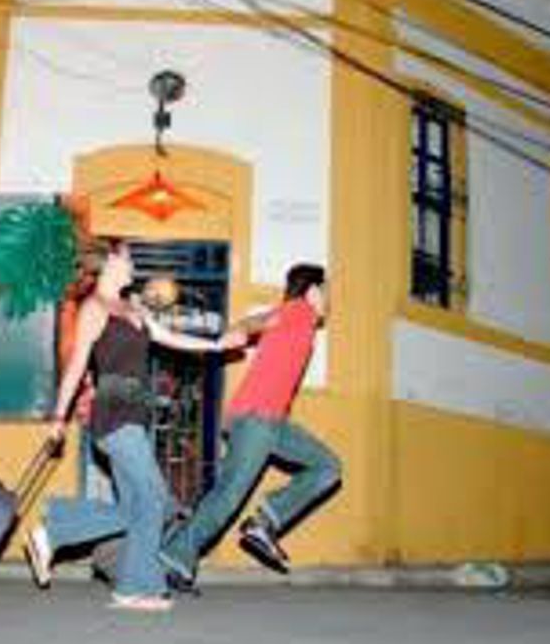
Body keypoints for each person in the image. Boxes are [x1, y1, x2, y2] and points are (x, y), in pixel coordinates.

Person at [23, 238, 244, 612]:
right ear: (110, 263)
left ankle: (124, 584)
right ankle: (63, 533)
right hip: (113, 413)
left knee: (140, 507)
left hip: (135, 415)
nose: (133, 266)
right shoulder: (94, 308)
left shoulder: (133, 308)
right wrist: (58, 417)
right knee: (155, 497)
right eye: (127, 259)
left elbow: (171, 338)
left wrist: (218, 345)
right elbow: (76, 367)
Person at [159, 263, 342, 585]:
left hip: (273, 422)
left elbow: (262, 321)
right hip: (257, 419)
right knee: (228, 495)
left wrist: (241, 327)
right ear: (313, 291)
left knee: (327, 467)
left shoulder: (301, 321)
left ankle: (265, 522)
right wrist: (240, 329)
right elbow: (263, 320)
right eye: (326, 291)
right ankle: (177, 554)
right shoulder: (299, 312)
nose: (330, 299)